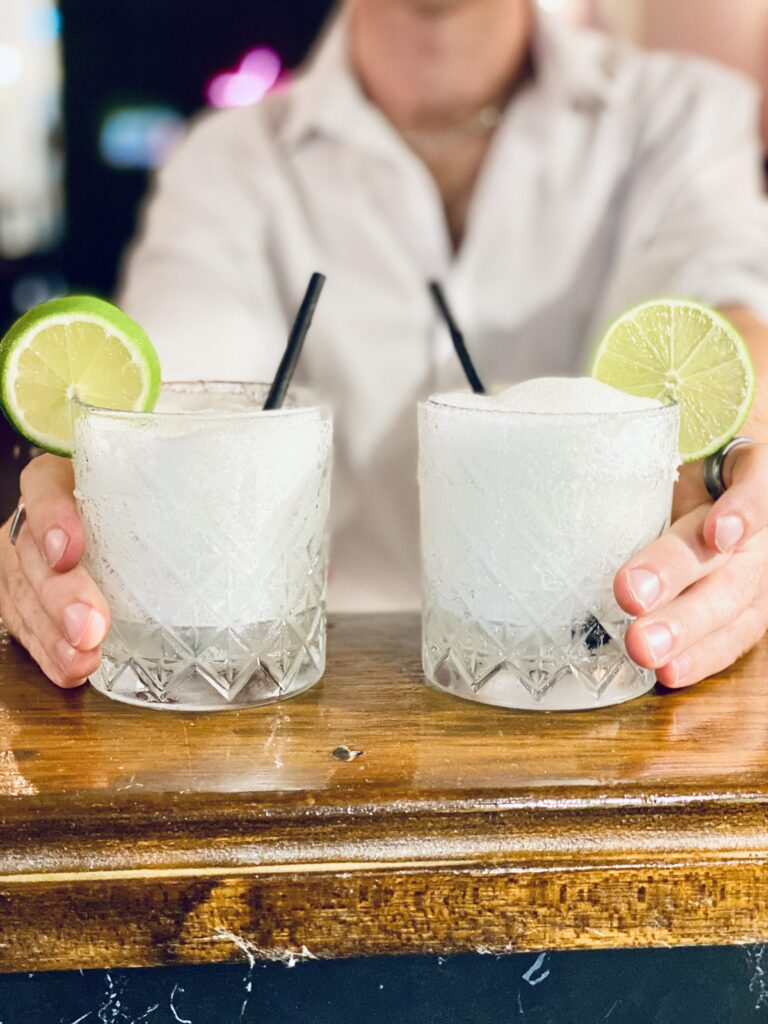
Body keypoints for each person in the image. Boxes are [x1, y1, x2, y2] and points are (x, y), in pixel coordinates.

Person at [3, 0, 768, 692]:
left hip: (612, 673)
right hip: (320, 717)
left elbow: (723, 324)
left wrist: (743, 463)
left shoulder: (685, 115)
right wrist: (77, 493)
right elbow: (175, 395)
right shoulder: (224, 165)